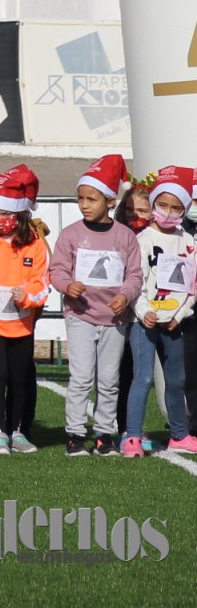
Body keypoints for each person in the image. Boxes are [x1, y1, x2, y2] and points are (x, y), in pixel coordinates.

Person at [48, 154, 142, 456]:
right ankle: (75, 434)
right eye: (80, 198)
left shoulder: (125, 237)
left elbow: (135, 275)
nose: (84, 204)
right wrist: (67, 286)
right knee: (81, 377)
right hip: (80, 317)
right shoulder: (71, 234)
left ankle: (104, 434)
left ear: (110, 201)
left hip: (115, 321)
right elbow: (57, 270)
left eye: (91, 198)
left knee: (109, 379)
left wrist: (125, 296)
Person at [0, 166, 50, 454]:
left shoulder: (35, 244)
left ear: (20, 214)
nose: (1, 219)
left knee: (19, 377)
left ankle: (17, 431)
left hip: (22, 322)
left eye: (7, 213)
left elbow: (42, 284)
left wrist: (26, 296)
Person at [125, 166, 196, 457]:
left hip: (174, 323)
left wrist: (179, 315)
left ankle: (179, 435)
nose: (168, 211)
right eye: (163, 205)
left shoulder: (188, 241)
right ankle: (132, 437)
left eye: (176, 207)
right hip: (144, 322)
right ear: (153, 205)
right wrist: (144, 312)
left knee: (176, 379)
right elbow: (134, 282)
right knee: (143, 378)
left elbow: (192, 287)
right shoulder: (142, 240)